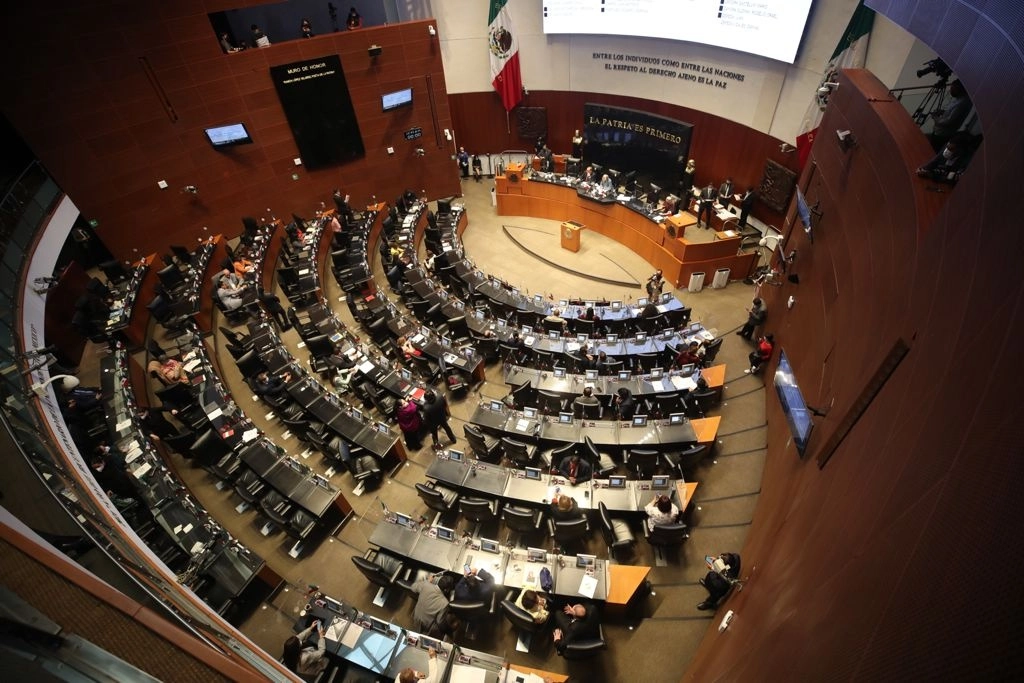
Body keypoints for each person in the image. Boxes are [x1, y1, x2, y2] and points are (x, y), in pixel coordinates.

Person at [928, 79, 971, 152]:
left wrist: (935, 118)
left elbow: (948, 121)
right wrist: (942, 112)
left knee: (934, 151)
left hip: (943, 134)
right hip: (940, 132)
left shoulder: (961, 103)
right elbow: (952, 113)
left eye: (953, 89)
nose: (950, 91)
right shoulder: (959, 99)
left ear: (960, 90)